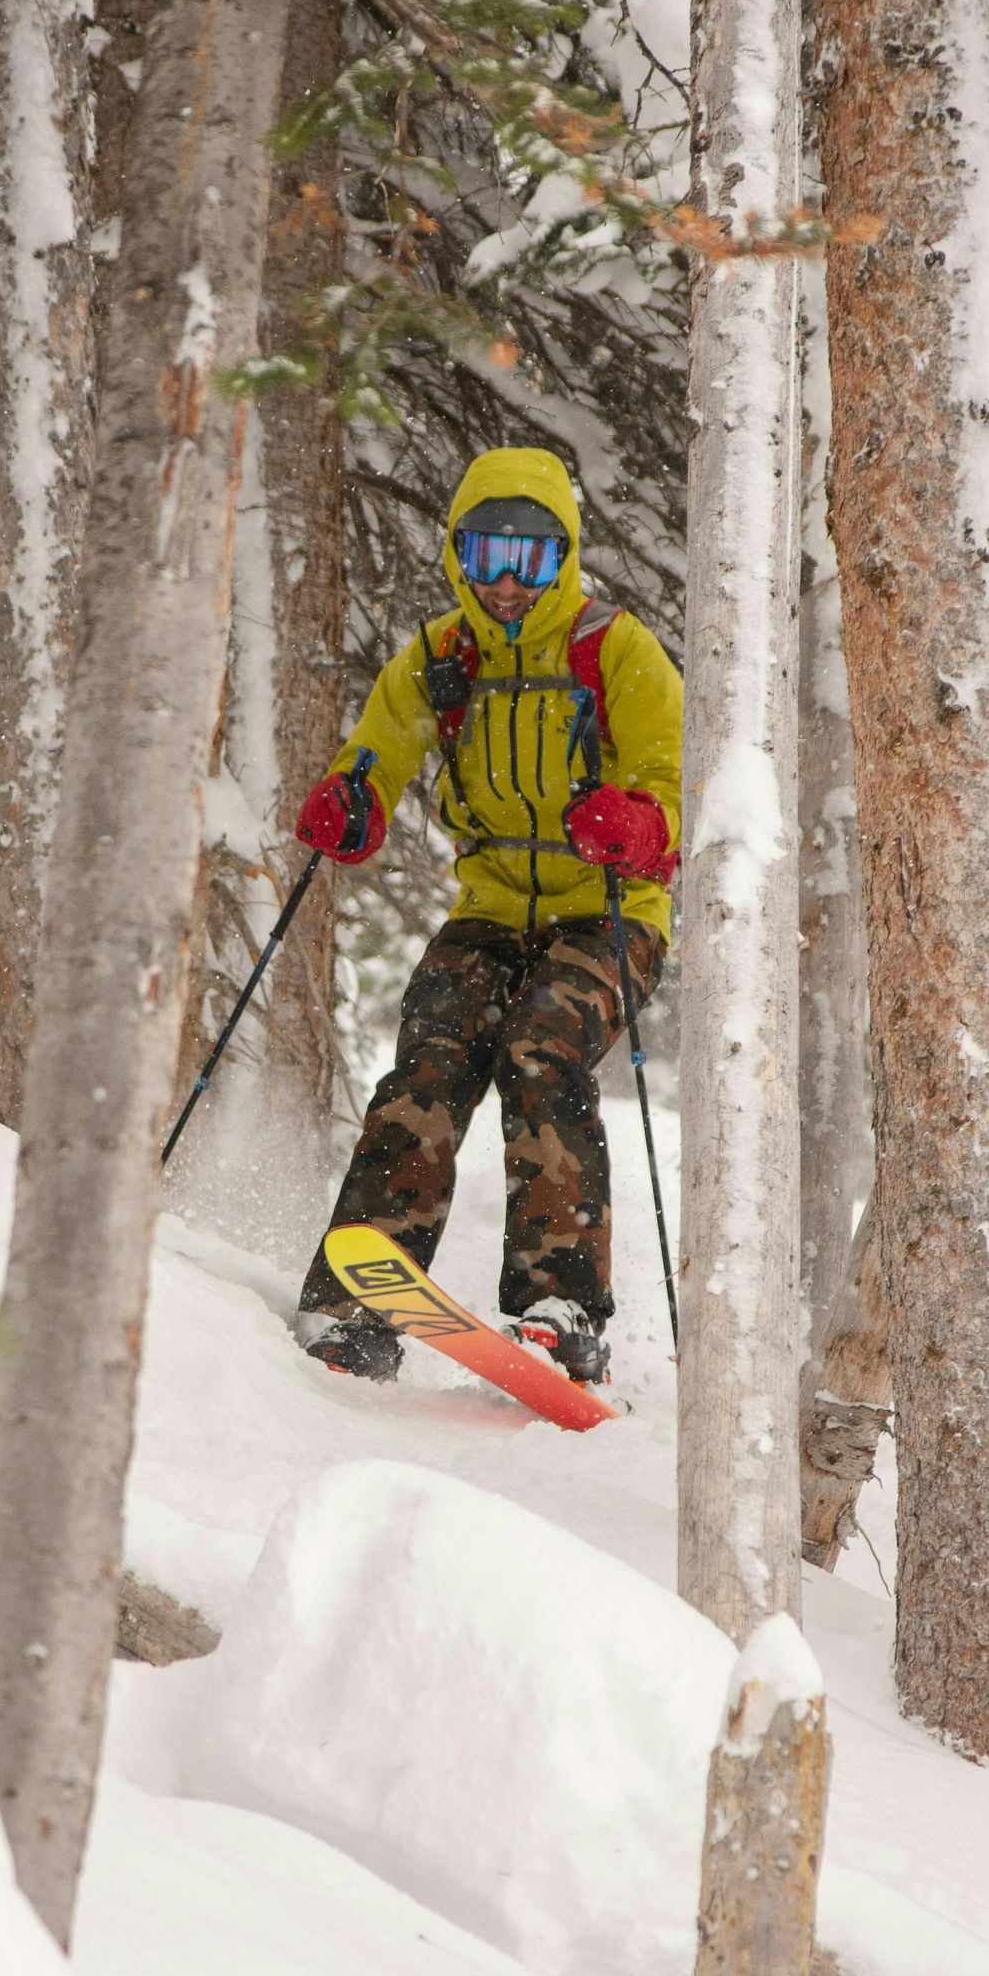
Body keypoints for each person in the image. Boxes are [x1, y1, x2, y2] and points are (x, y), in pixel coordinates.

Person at [293, 446, 682, 1387]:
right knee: (432, 1058)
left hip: (613, 912)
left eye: (534, 559)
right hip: (492, 908)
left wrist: (639, 823)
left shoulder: (613, 650)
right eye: (488, 557)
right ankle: (360, 1290)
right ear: (458, 558)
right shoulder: (440, 659)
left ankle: (562, 1305)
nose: (508, 583)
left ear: (566, 559)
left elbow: (680, 789)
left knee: (538, 1051)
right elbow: (374, 755)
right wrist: (354, 802)